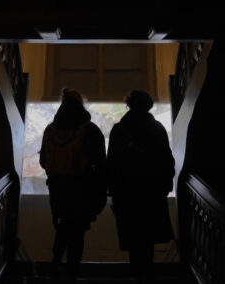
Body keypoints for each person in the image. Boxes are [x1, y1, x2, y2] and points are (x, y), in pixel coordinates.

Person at [107, 90, 175, 283]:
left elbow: (111, 162)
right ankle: (149, 272)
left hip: (127, 192)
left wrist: (112, 189)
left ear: (129, 104)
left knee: (133, 236)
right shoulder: (157, 128)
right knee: (149, 236)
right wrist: (165, 184)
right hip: (152, 191)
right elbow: (167, 161)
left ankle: (136, 272)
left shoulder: (119, 130)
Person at [39, 88, 107, 281]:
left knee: (65, 225)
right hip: (82, 188)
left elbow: (44, 161)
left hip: (58, 187)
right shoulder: (90, 130)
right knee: (76, 229)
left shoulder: (51, 130)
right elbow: (101, 162)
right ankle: (72, 269)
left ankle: (55, 262)